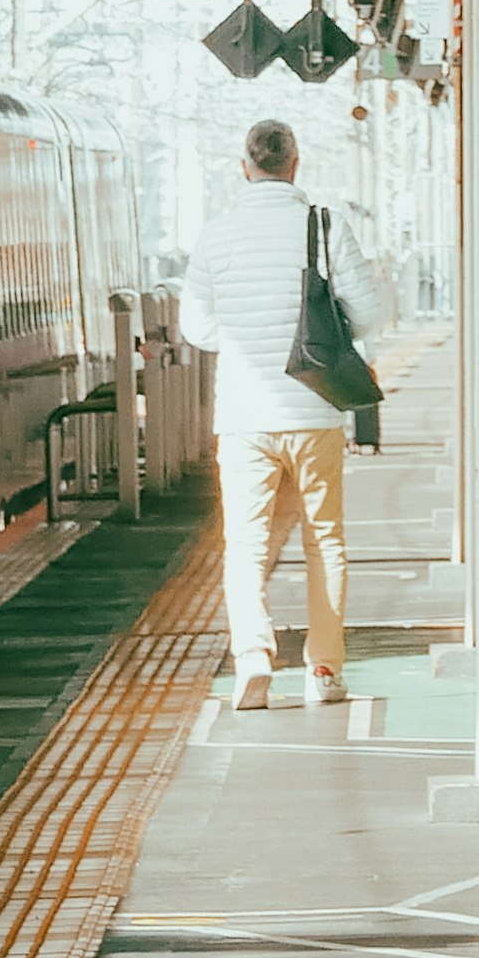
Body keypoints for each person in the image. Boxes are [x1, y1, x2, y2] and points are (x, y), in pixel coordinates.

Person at [188, 115, 388, 711]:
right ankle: (324, 669)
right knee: (325, 538)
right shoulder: (324, 227)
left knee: (245, 543)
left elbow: (197, 329)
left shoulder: (216, 236)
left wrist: (247, 328)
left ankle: (253, 656)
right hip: (315, 408)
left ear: (245, 167)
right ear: (294, 165)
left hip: (244, 416)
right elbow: (371, 311)